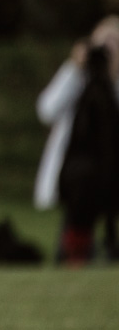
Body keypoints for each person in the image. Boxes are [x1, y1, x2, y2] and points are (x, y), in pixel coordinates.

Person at [34, 16, 119, 264]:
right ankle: (74, 260)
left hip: (111, 170)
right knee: (75, 233)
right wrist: (74, 68)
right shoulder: (78, 78)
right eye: (102, 43)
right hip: (78, 176)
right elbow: (47, 110)